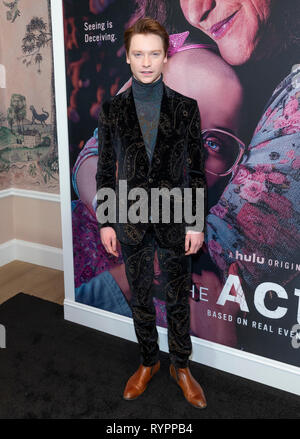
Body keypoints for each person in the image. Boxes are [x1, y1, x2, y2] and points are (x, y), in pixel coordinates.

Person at [96, 17, 208, 408]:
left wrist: (195, 223)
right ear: (128, 58)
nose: (146, 62)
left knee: (178, 298)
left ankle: (180, 365)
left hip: (176, 218)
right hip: (128, 219)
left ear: (166, 58)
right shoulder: (112, 110)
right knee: (140, 295)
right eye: (138, 54)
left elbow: (195, 170)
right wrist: (106, 220)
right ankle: (148, 361)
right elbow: (105, 167)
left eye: (154, 54)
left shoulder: (186, 108)